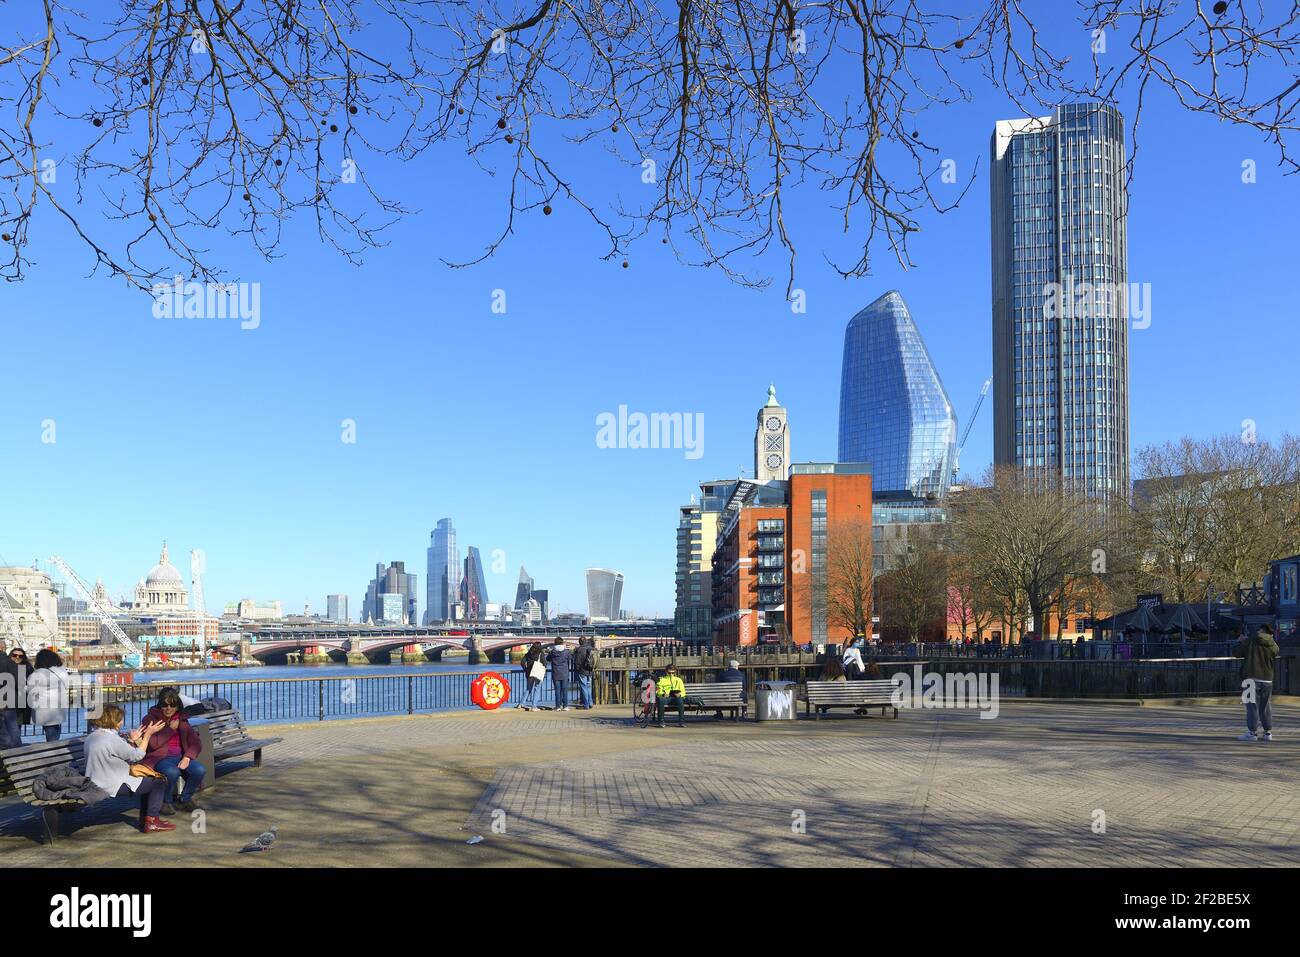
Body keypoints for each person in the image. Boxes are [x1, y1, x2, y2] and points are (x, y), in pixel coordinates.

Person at [84, 705, 173, 833]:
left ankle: (145, 819)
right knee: (159, 782)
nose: (122, 722)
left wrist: (132, 740)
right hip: (111, 784)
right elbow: (137, 756)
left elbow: (121, 755)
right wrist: (148, 735)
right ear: (112, 721)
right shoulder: (111, 739)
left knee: (147, 780)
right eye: (120, 719)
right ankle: (152, 821)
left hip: (95, 781)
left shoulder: (92, 737)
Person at [138, 687, 206, 813]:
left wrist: (187, 757)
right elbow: (153, 744)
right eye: (165, 705)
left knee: (199, 770)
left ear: (177, 706)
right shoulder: (150, 719)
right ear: (160, 705)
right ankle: (166, 802)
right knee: (172, 772)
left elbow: (196, 742)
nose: (168, 708)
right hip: (159, 758)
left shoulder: (181, 720)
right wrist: (170, 729)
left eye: (172, 705)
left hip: (180, 756)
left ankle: (185, 799)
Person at [1236, 624, 1279, 742]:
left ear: (1260, 630)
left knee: (1252, 706)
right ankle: (1267, 732)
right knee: (1266, 706)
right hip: (1267, 678)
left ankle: (1252, 733)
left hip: (1250, 677)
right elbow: (1276, 652)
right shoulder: (1272, 644)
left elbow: (1237, 653)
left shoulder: (1250, 641)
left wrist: (1242, 641)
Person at [27, 649, 71, 742]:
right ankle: (55, 748)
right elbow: (67, 685)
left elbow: (31, 690)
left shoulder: (38, 673)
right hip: (59, 707)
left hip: (45, 709)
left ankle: (53, 751)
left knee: (50, 732)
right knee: (55, 729)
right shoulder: (62, 671)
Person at [0, 640, 21, 749]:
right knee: (12, 727)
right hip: (8, 699)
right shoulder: (9, 662)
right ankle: (16, 752)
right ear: (3, 648)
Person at [655, 663, 686, 728]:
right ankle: (661, 722)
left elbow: (683, 691)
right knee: (660, 699)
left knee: (680, 700)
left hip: (675, 698)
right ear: (666, 672)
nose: (671, 674)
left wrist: (680, 694)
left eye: (673, 673)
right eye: (669, 673)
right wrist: (663, 694)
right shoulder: (661, 680)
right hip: (666, 698)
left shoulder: (678, 680)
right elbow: (658, 690)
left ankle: (681, 722)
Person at [546, 638, 572, 712]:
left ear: (555, 643)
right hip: (564, 673)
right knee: (564, 690)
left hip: (555, 673)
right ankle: (565, 706)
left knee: (557, 690)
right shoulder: (566, 652)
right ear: (562, 643)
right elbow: (570, 658)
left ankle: (558, 706)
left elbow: (547, 659)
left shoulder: (552, 652)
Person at [10, 647, 33, 730]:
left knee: (16, 728)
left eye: (20, 656)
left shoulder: (28, 668)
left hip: (20, 705)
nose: (17, 657)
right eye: (15, 655)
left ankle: (16, 743)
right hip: (5, 705)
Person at [519, 642, 546, 711]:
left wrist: (525, 669)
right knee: (537, 689)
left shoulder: (528, 654)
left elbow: (522, 662)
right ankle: (534, 706)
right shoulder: (540, 654)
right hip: (537, 673)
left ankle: (521, 703)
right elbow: (544, 664)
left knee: (528, 688)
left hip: (529, 673)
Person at [573, 637, 597, 709]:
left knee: (584, 687)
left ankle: (586, 704)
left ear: (579, 642)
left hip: (582, 671)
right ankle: (590, 703)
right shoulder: (591, 648)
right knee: (589, 687)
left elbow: (577, 662)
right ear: (586, 641)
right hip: (590, 670)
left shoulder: (579, 650)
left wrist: (577, 669)